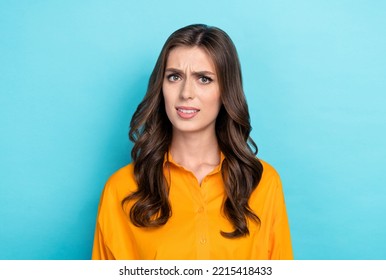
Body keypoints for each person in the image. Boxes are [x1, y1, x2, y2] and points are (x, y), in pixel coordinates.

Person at [92, 24, 293, 260]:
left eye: (204, 79)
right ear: (161, 87)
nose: (186, 93)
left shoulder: (263, 182)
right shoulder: (121, 189)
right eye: (174, 77)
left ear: (226, 90)